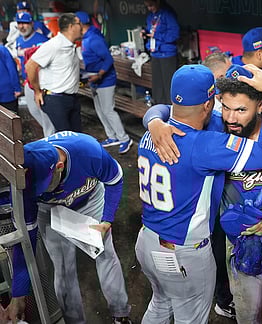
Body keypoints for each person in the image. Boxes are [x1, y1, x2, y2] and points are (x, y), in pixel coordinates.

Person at [144, 64, 262, 323]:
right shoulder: (214, 130)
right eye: (226, 108)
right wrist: (154, 121)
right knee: (246, 315)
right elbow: (169, 108)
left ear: (261, 105)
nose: (231, 118)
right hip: (238, 244)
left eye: (242, 110)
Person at [5, 132, 132, 324]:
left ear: (59, 166)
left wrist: (107, 220)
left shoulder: (89, 151)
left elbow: (115, 181)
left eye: (43, 185)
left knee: (105, 253)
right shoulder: (26, 186)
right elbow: (26, 242)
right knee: (63, 267)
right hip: (50, 209)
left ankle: (120, 314)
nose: (40, 189)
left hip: (90, 199)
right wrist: (19, 294)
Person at [201, 51, 236, 319]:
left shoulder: (221, 111)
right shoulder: (206, 116)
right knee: (217, 248)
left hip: (223, 195)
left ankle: (224, 295)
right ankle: (223, 299)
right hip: (210, 199)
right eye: (227, 74)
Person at [76, 11, 133, 154]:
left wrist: (100, 74)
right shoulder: (86, 37)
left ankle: (124, 138)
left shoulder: (94, 38)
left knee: (108, 110)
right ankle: (112, 137)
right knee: (101, 111)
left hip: (105, 80)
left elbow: (108, 59)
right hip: (94, 79)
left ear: (81, 24)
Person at [25, 13, 83, 132]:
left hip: (72, 98)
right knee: (63, 139)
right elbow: (30, 65)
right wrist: (37, 92)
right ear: (71, 27)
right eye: (79, 24)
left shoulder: (71, 45)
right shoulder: (54, 45)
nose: (82, 27)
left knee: (77, 137)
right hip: (56, 100)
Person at [15, 11, 55, 137]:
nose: (22, 26)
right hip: (28, 80)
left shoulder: (42, 40)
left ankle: (51, 137)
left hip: (41, 82)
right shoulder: (18, 40)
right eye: (19, 23)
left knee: (44, 111)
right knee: (33, 110)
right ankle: (51, 133)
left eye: (25, 23)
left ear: (32, 24)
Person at [143, 0, 180, 104]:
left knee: (168, 86)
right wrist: (145, 32)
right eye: (147, 6)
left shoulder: (168, 13)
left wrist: (156, 36)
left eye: (151, 5)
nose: (149, 8)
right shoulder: (151, 15)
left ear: (158, 2)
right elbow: (150, 30)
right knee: (157, 86)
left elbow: (174, 34)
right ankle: (159, 109)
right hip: (155, 53)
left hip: (167, 54)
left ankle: (171, 111)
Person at [0, 43, 21, 113]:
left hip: (6, 91)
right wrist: (17, 88)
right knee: (11, 120)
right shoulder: (2, 49)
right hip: (7, 91)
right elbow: (12, 69)